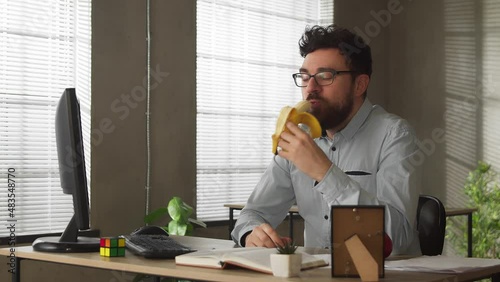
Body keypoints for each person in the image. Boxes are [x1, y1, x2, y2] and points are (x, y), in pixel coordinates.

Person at [231, 24, 422, 256]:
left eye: (324, 76)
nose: (310, 88)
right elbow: (252, 214)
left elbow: (396, 237)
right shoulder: (298, 139)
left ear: (360, 84)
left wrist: (324, 172)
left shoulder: (395, 135)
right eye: (305, 77)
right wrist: (252, 234)